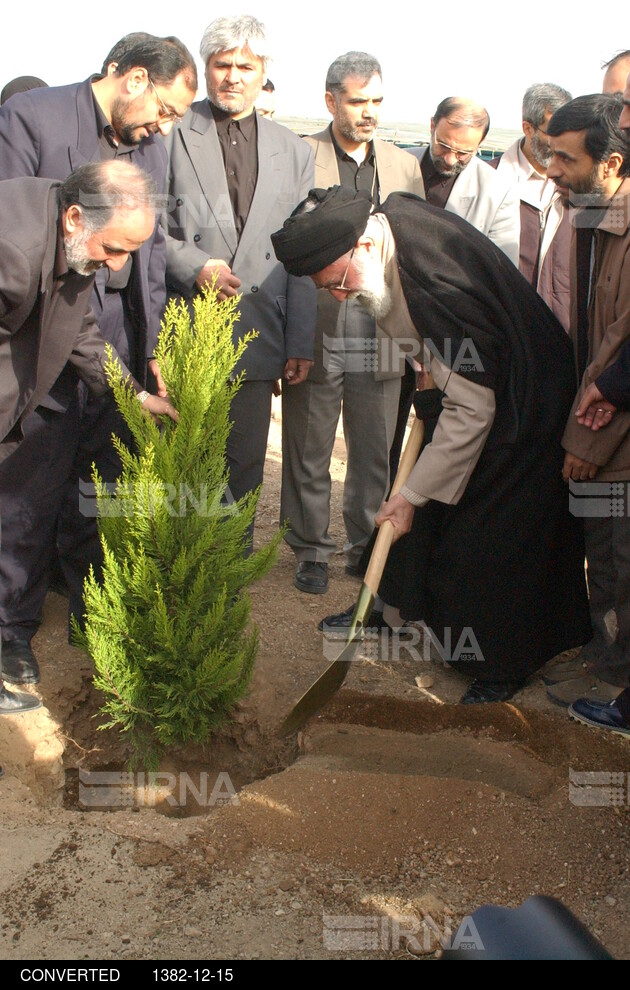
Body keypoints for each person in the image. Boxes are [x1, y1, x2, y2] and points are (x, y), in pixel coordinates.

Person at [271, 185, 590, 703]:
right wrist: (425, 371)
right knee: (419, 497)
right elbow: (425, 334)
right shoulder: (385, 229)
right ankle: (389, 609)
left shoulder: (434, 281)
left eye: (337, 284)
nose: (337, 296)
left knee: (487, 531)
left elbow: (475, 407)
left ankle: (501, 663)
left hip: (522, 401)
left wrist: (412, 496)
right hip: (467, 382)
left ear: (366, 247)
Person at [0, 35, 197, 679]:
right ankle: (11, 626)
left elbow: (150, 252)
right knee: (31, 472)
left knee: (97, 471)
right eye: (163, 110)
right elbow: (23, 254)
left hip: (99, 317)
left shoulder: (151, 154)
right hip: (26, 319)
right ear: (135, 79)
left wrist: (149, 355)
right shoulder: (35, 119)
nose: (163, 127)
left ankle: (86, 593)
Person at [0, 161, 176, 712]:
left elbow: (80, 330)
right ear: (76, 217)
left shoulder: (71, 236)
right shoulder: (11, 251)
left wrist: (136, 394)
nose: (118, 265)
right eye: (115, 249)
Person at [164, 14, 316, 547]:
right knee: (180, 454)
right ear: (206, 68)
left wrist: (300, 340)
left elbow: (301, 254)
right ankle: (178, 560)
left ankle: (229, 561)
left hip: (258, 331)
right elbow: (141, 228)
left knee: (245, 456)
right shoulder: (171, 132)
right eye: (221, 64)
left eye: (244, 66)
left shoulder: (294, 151)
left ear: (263, 72)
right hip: (182, 325)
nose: (232, 76)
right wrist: (192, 266)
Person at [280, 51, 424, 595]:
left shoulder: (404, 164)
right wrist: (294, 335)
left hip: (382, 324)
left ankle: (365, 544)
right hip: (317, 319)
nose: (369, 112)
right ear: (330, 100)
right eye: (359, 100)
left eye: (377, 101)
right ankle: (311, 548)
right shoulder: (299, 155)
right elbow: (290, 250)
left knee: (373, 444)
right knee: (310, 441)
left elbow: (410, 250)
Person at [543, 93, 630, 707]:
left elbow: (621, 355)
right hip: (603, 430)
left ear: (613, 164)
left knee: (618, 561)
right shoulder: (592, 217)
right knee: (602, 553)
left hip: (616, 438)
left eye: (565, 158)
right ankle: (604, 654)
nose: (552, 170)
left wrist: (586, 444)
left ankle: (616, 677)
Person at [495, 84, 573, 330]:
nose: (562, 142)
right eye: (554, 132)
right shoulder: (488, 181)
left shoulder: (582, 187)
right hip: (505, 329)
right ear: (528, 128)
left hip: (564, 333)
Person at [407, 97, 520, 264]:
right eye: (443, 146)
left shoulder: (499, 192)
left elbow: (501, 269)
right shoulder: (394, 162)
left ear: (480, 143)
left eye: (463, 153)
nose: (450, 159)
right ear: (432, 126)